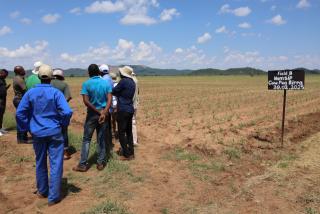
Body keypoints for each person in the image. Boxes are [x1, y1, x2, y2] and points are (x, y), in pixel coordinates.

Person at [16, 64, 73, 206]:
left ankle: (42, 191)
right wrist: (62, 124)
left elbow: (20, 113)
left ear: (39, 77)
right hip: (54, 132)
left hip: (37, 133)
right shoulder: (56, 93)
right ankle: (53, 197)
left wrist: (27, 127)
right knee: (56, 163)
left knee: (40, 161)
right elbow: (67, 112)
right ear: (51, 77)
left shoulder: (30, 93)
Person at [73, 64, 112, 172]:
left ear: (89, 73)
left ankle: (82, 164)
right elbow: (109, 99)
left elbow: (86, 101)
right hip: (104, 114)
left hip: (92, 115)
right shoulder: (105, 83)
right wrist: (104, 112)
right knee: (101, 139)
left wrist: (97, 111)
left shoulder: (86, 84)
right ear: (99, 72)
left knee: (86, 139)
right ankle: (100, 163)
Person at [112, 66, 136, 160]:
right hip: (130, 108)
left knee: (121, 132)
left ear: (123, 74)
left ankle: (126, 154)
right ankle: (131, 152)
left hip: (122, 109)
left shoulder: (123, 81)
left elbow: (114, 91)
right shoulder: (132, 82)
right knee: (129, 132)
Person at [51, 69, 72, 160]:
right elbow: (68, 97)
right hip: (61, 111)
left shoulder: (49, 83)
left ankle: (53, 151)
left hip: (50, 111)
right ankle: (65, 152)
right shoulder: (64, 85)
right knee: (64, 131)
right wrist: (62, 104)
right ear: (61, 77)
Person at [99, 64, 113, 149]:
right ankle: (109, 143)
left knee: (104, 127)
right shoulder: (110, 79)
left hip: (104, 107)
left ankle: (105, 145)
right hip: (110, 106)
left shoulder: (103, 80)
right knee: (108, 126)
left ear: (100, 71)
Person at [13, 65, 28, 143]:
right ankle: (22, 139)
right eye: (22, 69)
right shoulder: (20, 80)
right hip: (20, 100)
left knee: (21, 118)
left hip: (17, 99)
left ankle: (22, 137)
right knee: (22, 119)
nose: (24, 70)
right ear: (19, 71)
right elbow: (26, 90)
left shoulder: (16, 78)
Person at [0, 69, 11, 136]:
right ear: (1, 73)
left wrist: (6, 88)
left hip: (3, 99)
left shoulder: (3, 80)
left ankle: (1, 128)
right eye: (5, 75)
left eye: (6, 75)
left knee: (1, 114)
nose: (6, 76)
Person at [110, 72, 119, 139]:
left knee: (113, 120)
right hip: (116, 105)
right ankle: (116, 133)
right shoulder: (118, 84)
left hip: (112, 105)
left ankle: (114, 132)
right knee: (116, 120)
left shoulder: (111, 85)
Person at [132, 71, 139, 146]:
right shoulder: (136, 81)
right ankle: (134, 140)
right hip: (135, 105)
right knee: (133, 121)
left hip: (131, 105)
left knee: (131, 122)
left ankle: (133, 140)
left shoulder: (131, 82)